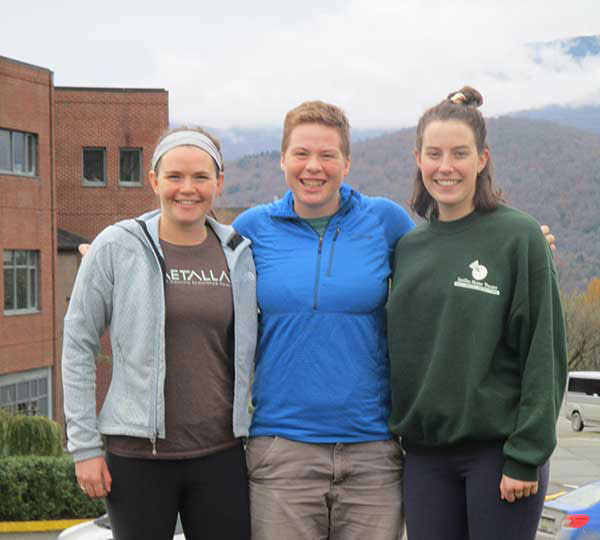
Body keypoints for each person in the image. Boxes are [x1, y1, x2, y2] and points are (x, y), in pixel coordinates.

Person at [386, 87, 568, 540]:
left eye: (460, 153)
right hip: (425, 458)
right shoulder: (409, 248)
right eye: (434, 154)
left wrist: (526, 454)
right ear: (418, 158)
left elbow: (544, 352)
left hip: (498, 455)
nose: (445, 167)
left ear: (482, 159)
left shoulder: (518, 236)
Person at [62, 128, 257, 540]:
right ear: (154, 180)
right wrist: (84, 448)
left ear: (218, 183)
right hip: (137, 458)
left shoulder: (239, 253)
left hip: (221, 454)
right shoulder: (116, 246)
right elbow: (78, 343)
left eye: (201, 177)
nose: (187, 189)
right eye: (174, 177)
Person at [232, 101, 414, 540]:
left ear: (346, 163)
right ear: (281, 159)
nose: (314, 167)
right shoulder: (251, 228)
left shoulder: (385, 221)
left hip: (372, 452)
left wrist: (517, 244)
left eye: (327, 155)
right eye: (301, 154)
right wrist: (115, 255)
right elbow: (188, 255)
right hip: (281, 452)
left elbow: (444, 267)